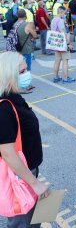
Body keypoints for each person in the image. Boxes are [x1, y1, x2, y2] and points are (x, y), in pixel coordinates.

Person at [0, 51, 49, 228]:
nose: (27, 74)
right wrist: (34, 183)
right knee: (22, 221)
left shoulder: (14, 96)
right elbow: (7, 153)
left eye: (26, 69)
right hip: (19, 175)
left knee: (30, 218)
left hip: (25, 170)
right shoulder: (4, 108)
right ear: (8, 75)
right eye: (21, 72)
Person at [51, 6, 76, 84]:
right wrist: (68, 43)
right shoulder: (60, 21)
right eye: (64, 13)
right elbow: (62, 32)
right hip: (62, 43)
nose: (65, 15)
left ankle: (56, 77)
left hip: (56, 42)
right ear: (61, 12)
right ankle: (65, 78)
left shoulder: (53, 20)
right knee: (65, 60)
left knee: (57, 60)